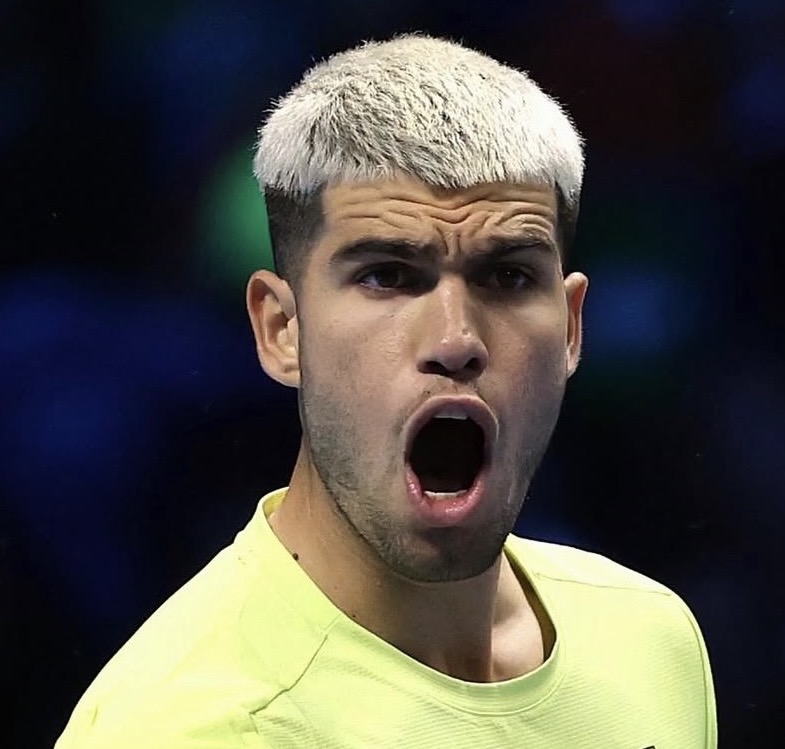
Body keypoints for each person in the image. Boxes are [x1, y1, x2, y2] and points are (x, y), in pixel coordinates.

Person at [55, 34, 717, 748]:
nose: (456, 339)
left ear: (570, 328)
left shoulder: (653, 640)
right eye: (387, 276)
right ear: (282, 329)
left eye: (508, 276)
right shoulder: (188, 727)